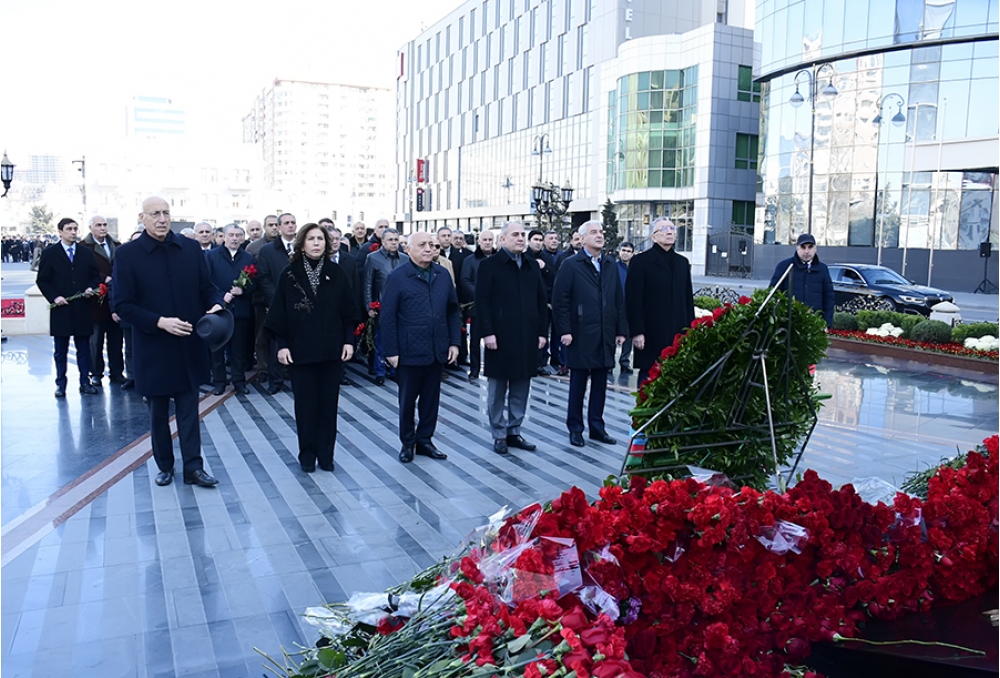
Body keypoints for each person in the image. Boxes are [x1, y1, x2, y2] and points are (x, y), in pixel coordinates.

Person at [113, 196, 225, 488]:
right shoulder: (127, 254)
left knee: (189, 411)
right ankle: (164, 465)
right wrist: (159, 322)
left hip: (188, 343)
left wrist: (214, 303)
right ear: (142, 218)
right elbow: (122, 304)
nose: (162, 219)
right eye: (155, 214)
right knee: (158, 414)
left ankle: (194, 468)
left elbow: (206, 287)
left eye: (165, 212)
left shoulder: (189, 248)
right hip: (154, 347)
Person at [264, 223, 358, 473]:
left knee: (328, 405)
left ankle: (326, 455)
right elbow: (279, 313)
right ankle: (307, 454)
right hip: (300, 350)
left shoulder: (336, 272)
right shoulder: (289, 273)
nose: (316, 243)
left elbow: (349, 310)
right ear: (302, 244)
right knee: (305, 406)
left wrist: (349, 340)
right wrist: (282, 346)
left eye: (321, 239)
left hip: (331, 349)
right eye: (311, 239)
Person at [381, 231, 461, 464]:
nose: (428, 249)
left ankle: (425, 440)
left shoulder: (442, 274)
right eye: (422, 245)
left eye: (432, 245)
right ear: (408, 249)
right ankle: (408, 442)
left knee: (431, 399)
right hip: (409, 350)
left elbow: (453, 311)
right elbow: (387, 316)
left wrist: (454, 342)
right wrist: (391, 351)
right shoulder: (397, 277)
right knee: (407, 400)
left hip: (436, 348)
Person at [552, 221, 627, 448]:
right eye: (593, 232)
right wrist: (565, 330)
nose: (599, 235)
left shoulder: (609, 264)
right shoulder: (571, 264)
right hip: (580, 333)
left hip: (605, 332)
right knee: (578, 383)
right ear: (582, 238)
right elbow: (560, 301)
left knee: (600, 383)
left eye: (601, 232)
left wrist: (621, 329)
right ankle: (575, 428)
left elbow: (618, 299)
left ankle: (597, 427)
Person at [475, 221, 548, 455]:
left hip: (527, 334)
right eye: (515, 234)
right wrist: (488, 332)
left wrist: (542, 332)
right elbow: (482, 302)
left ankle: (514, 430)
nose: (520, 238)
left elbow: (541, 301)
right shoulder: (490, 265)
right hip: (499, 336)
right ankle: (498, 433)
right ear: (503, 239)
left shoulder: (531, 265)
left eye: (522, 234)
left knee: (522, 384)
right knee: (497, 387)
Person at [36, 218, 102, 397]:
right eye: (69, 229)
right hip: (61, 309)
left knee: (84, 349)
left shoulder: (85, 253)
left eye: (75, 228)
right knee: (60, 351)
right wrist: (54, 297)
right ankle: (60, 383)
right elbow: (43, 280)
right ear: (60, 232)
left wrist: (90, 288)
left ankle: (85, 382)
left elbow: (94, 276)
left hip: (82, 308)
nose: (73, 232)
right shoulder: (50, 253)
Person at [625, 220, 694, 386]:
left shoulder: (682, 263)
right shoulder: (641, 261)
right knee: (648, 379)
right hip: (651, 333)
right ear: (653, 237)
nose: (669, 232)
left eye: (672, 229)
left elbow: (687, 299)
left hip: (677, 332)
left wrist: (691, 331)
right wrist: (637, 331)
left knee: (675, 379)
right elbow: (633, 300)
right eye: (663, 229)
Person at [206, 224, 256, 395]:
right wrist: (221, 296)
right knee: (217, 349)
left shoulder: (248, 257)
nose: (235, 238)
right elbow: (207, 282)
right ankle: (219, 382)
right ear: (224, 236)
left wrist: (244, 290)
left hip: (240, 309)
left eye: (238, 235)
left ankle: (239, 381)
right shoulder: (212, 256)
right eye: (231, 235)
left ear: (242, 237)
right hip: (218, 310)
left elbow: (255, 282)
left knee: (238, 349)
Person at [256, 213, 299, 394]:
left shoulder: (302, 247)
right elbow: (263, 277)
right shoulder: (267, 250)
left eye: (293, 222)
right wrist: (278, 299)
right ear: (279, 227)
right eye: (286, 223)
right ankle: (276, 380)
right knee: (276, 343)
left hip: (301, 304)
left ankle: (298, 379)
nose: (290, 226)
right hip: (276, 304)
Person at [81, 214, 125, 386]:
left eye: (105, 224)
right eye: (98, 225)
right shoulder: (83, 247)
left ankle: (117, 372)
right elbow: (82, 271)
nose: (103, 228)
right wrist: (102, 278)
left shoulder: (117, 245)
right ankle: (96, 373)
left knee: (116, 340)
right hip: (96, 301)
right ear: (90, 227)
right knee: (95, 341)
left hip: (116, 299)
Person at [363, 228, 409, 385]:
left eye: (396, 240)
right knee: (380, 340)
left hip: (402, 307)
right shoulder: (372, 258)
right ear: (382, 241)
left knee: (399, 339)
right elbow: (367, 284)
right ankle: (380, 371)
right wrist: (369, 306)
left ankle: (395, 370)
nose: (394, 243)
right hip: (381, 306)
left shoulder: (405, 259)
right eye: (390, 240)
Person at [769, 233, 835, 328]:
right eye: (803, 247)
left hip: (815, 323)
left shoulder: (822, 269)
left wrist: (827, 324)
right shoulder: (785, 267)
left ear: (815, 248)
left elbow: (829, 298)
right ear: (797, 248)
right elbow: (773, 294)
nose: (806, 251)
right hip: (790, 324)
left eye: (810, 247)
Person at [459, 229, 494, 381]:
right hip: (476, 306)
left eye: (490, 240)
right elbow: (464, 280)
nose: (487, 242)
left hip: (496, 306)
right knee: (475, 340)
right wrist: (479, 294)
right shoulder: (470, 260)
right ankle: (474, 369)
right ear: (479, 241)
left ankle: (493, 368)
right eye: (484, 240)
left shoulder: (498, 259)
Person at [247, 214, 279, 371]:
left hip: (282, 297)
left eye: (276, 224)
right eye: (270, 225)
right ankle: (263, 367)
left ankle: (282, 368)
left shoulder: (289, 246)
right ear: (264, 227)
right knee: (261, 335)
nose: (274, 228)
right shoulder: (253, 248)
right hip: (261, 298)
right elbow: (249, 273)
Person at [117, 228, 144, 390]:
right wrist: (114, 309)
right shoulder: (124, 259)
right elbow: (115, 287)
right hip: (129, 314)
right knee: (130, 348)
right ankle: (132, 376)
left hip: (149, 314)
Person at [615, 242, 635, 374]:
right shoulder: (613, 267)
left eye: (628, 251)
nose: (625, 253)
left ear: (632, 253)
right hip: (616, 305)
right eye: (623, 250)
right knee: (613, 334)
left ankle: (624, 361)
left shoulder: (635, 268)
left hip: (630, 306)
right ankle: (609, 363)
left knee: (628, 335)